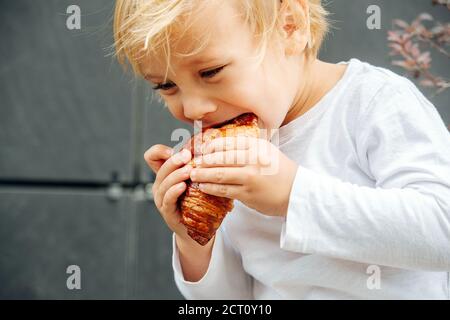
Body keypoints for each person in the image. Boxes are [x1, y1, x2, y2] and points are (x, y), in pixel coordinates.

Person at [113, 0, 450, 299]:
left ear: (290, 26)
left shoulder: (373, 102)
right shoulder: (233, 158)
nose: (193, 108)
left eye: (211, 72)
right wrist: (195, 240)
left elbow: (441, 229)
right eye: (166, 86)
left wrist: (292, 196)